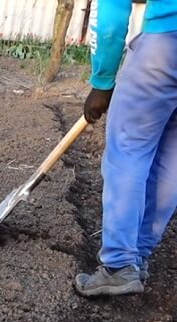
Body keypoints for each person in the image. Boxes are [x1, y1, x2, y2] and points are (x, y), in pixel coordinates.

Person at [75, 0, 177, 297]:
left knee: (129, 151)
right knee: (172, 160)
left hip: (165, 45)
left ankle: (119, 265)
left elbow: (112, 11)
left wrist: (103, 80)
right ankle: (139, 256)